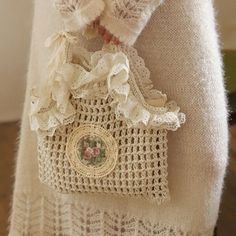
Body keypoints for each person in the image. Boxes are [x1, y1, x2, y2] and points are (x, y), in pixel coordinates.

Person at [9, 0, 228, 235]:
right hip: (69, 22)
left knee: (198, 157)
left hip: (170, 19)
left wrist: (127, 8)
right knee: (62, 150)